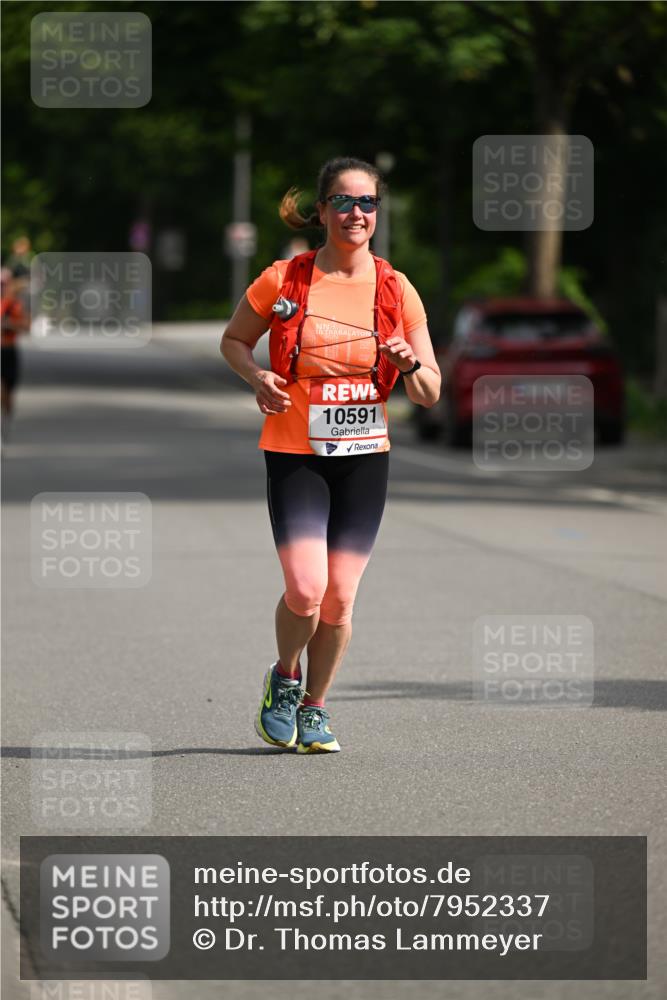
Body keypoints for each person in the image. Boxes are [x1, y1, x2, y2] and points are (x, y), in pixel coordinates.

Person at [221, 156, 440, 754]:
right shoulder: (283, 280)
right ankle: (285, 677)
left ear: (378, 212)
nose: (356, 214)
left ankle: (316, 706)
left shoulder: (396, 287)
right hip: (295, 452)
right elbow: (235, 341)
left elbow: (430, 390)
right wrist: (256, 377)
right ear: (321, 212)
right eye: (343, 202)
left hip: (366, 456)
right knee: (306, 588)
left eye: (367, 203)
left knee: (341, 596)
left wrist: (409, 364)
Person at [1, 267, 30, 439]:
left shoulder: (14, 305)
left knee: (8, 392)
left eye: (4, 284)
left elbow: (26, 327)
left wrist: (8, 324)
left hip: (8, 351)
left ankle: (6, 419)